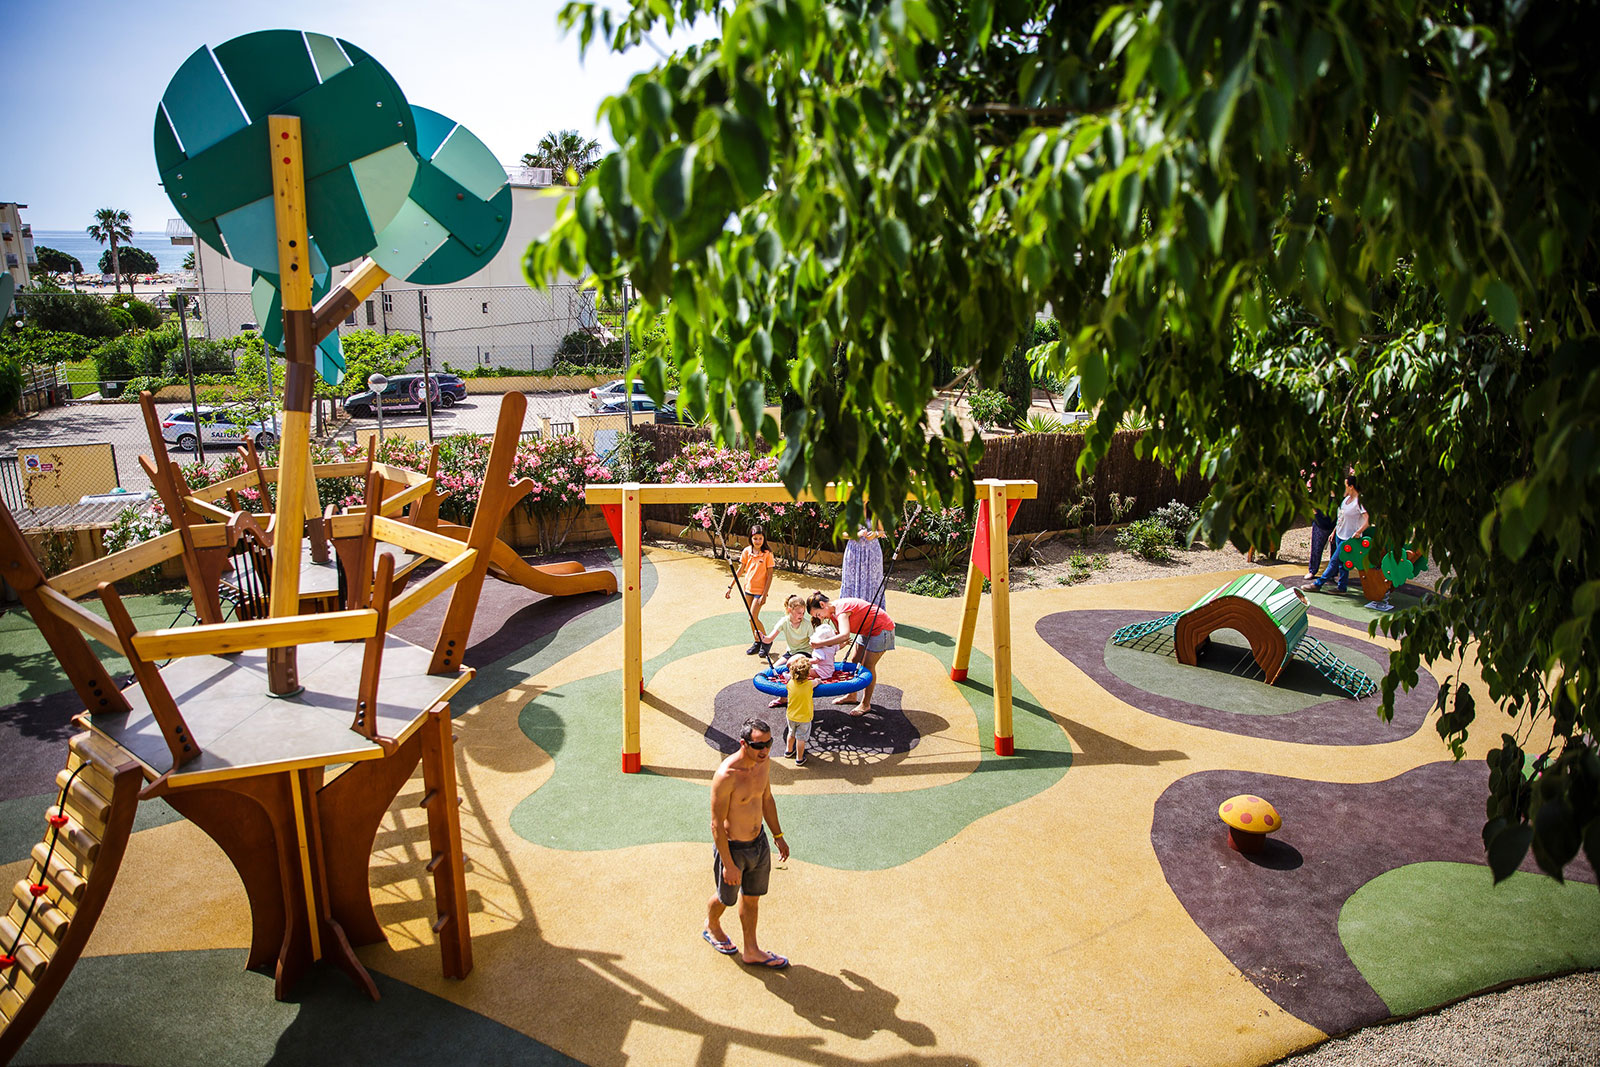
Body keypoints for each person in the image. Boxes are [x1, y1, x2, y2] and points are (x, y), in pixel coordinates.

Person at [704, 717, 790, 968]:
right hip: (733, 849)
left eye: (768, 744)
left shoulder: (764, 764)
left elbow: (766, 799)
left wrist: (778, 835)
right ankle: (711, 925)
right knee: (725, 898)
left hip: (758, 843)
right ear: (743, 743)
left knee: (752, 897)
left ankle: (751, 950)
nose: (764, 750)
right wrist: (728, 864)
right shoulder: (726, 775)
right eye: (758, 746)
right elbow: (717, 824)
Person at [807, 591, 895, 716]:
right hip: (865, 630)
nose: (819, 618)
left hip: (881, 629)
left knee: (867, 666)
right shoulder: (831, 614)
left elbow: (845, 635)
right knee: (854, 660)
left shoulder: (841, 611)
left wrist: (820, 644)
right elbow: (839, 638)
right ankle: (852, 695)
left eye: (818, 614)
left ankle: (866, 703)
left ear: (822, 604)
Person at [1313, 475, 1370, 594]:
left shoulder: (1359, 502)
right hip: (1340, 534)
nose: (1344, 488)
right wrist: (1334, 532)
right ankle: (1342, 588)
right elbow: (1341, 518)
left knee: (1334, 560)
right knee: (1342, 563)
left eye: (1345, 485)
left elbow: (1368, 520)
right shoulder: (1346, 500)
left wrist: (1358, 532)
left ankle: (1318, 584)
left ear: (1351, 486)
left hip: (1349, 538)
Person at [725, 526, 776, 655]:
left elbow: (770, 575)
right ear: (751, 538)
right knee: (750, 618)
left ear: (764, 539)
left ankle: (766, 641)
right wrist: (730, 587)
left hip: (760, 591)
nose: (758, 541)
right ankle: (757, 642)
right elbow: (741, 570)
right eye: (755, 538)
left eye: (760, 538)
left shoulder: (767, 554)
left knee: (753, 617)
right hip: (748, 589)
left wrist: (764, 594)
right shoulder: (747, 551)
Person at [761, 595, 815, 708]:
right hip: (791, 652)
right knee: (774, 671)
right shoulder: (784, 621)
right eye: (799, 613)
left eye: (803, 612)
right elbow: (769, 639)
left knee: (790, 664)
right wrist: (762, 638)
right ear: (790, 610)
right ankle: (783, 697)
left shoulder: (806, 624)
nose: (802, 615)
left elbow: (813, 643)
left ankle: (797, 695)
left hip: (805, 652)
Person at [839, 517, 887, 607]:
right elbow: (842, 533)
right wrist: (857, 534)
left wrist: (875, 534)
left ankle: (873, 615)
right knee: (851, 582)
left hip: (872, 553)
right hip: (854, 553)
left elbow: (881, 531)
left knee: (873, 582)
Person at [782, 656, 818, 765]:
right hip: (804, 717)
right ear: (808, 674)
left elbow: (788, 677)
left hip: (791, 716)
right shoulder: (809, 685)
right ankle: (799, 758)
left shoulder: (790, 684)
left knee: (791, 734)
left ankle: (788, 751)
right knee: (801, 738)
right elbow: (817, 682)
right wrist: (818, 680)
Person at [1307, 508, 1336, 579]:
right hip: (1320, 522)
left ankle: (1333, 573)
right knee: (1316, 548)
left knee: (1335, 550)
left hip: (1336, 523)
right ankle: (1312, 571)